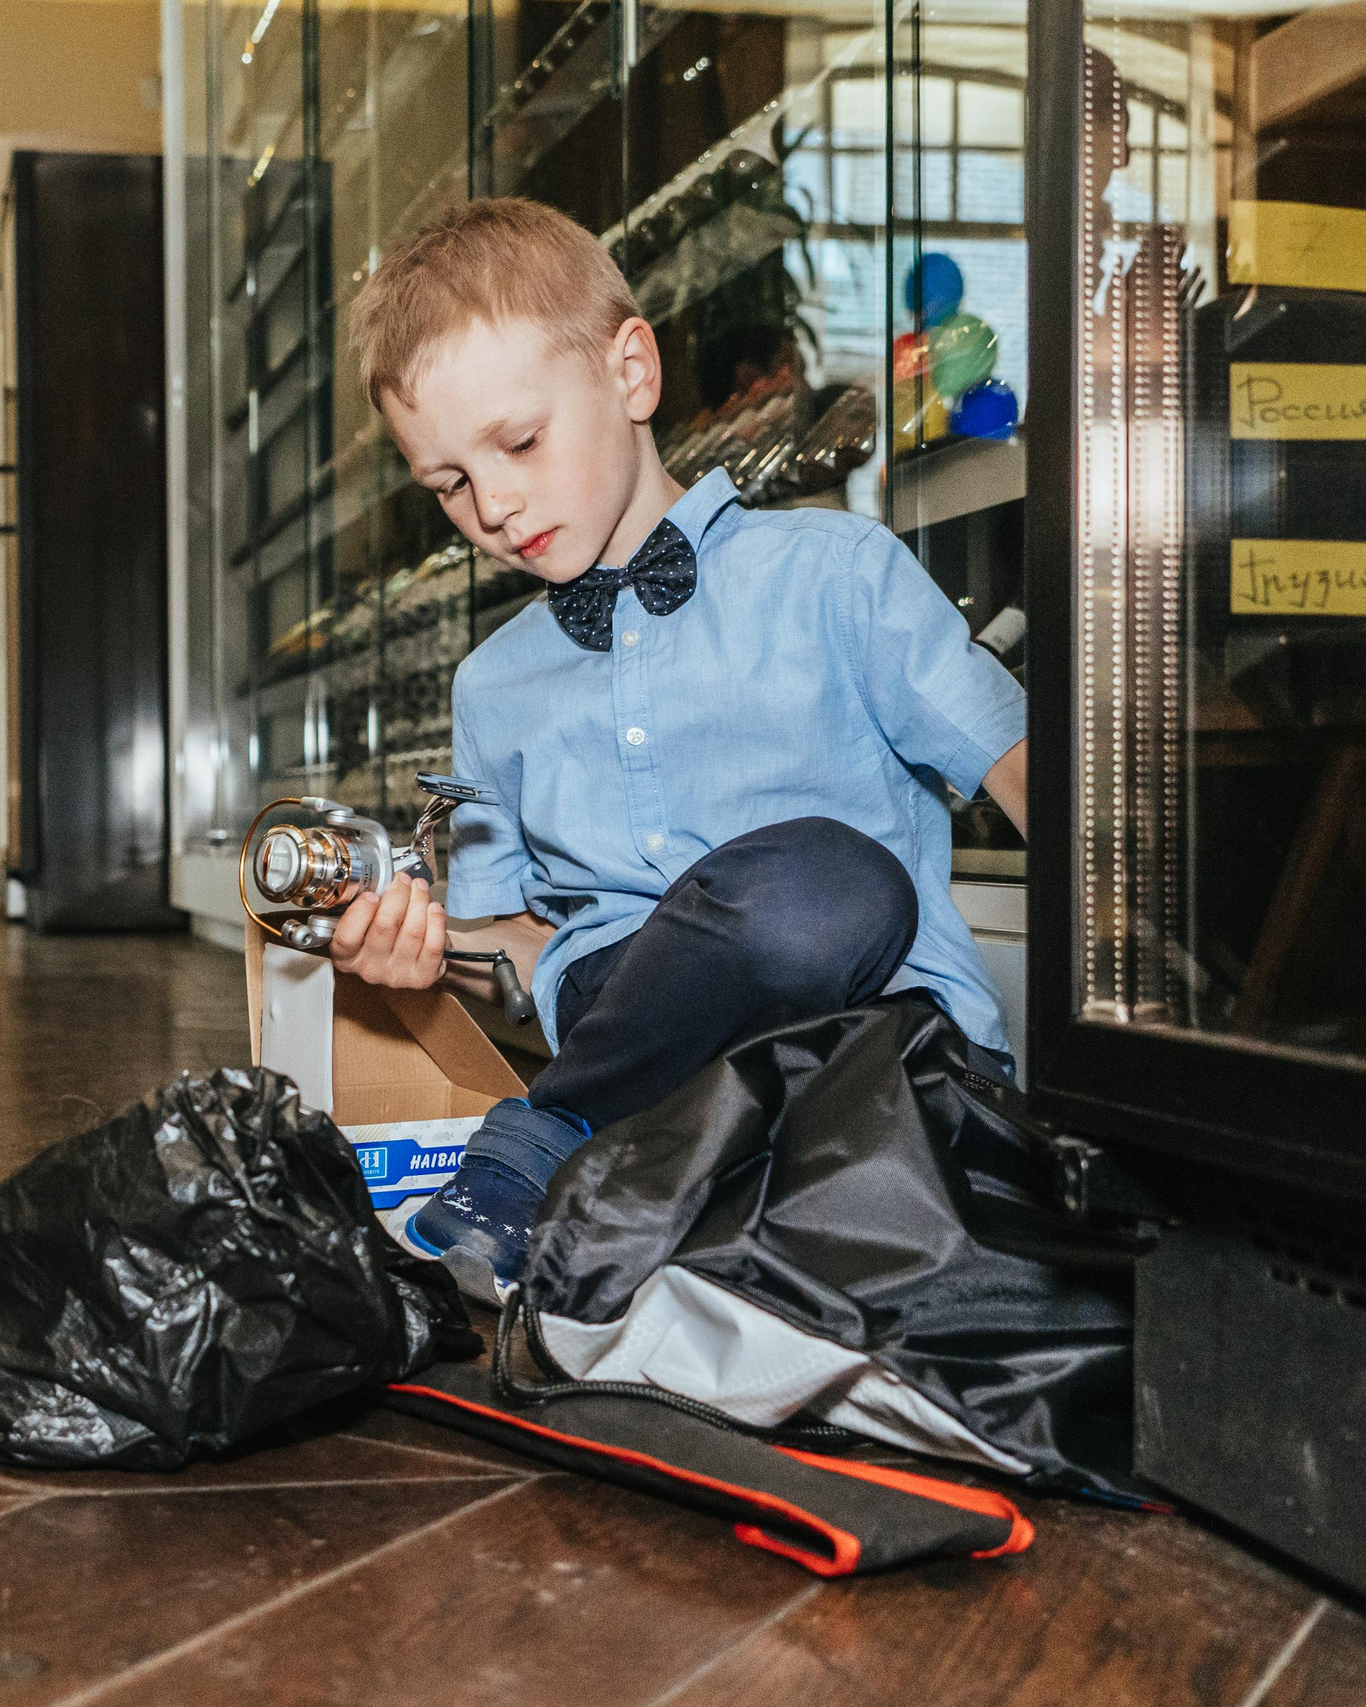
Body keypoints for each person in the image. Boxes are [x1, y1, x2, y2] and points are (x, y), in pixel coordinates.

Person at [333, 198, 1030, 1305]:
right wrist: (423, 963)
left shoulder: (836, 572)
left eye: (517, 442)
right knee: (645, 965)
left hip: (867, 1032)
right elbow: (514, 944)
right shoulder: (490, 685)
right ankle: (633, 1187)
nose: (496, 508)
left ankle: (553, 1143)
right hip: (656, 1063)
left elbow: (1027, 771)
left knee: (825, 881)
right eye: (450, 485)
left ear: (630, 372)